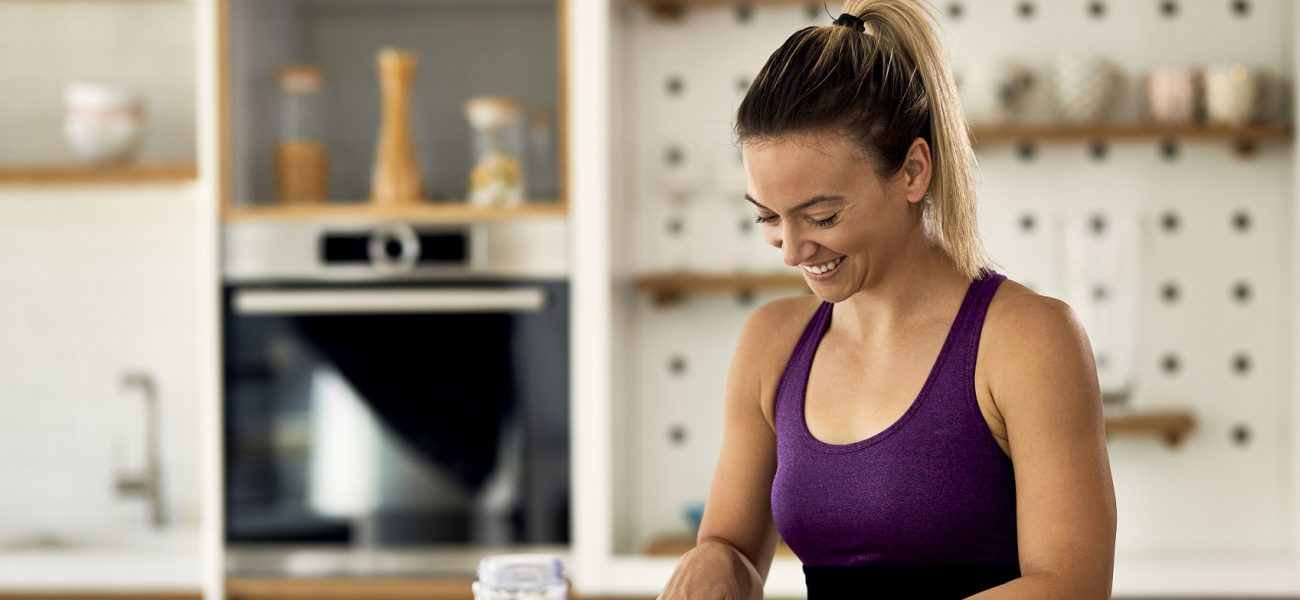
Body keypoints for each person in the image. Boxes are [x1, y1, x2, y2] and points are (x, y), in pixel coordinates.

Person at [656, 1, 1117, 598]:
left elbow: (1072, 585)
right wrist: (717, 559)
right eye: (767, 217)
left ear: (913, 171)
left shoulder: (1028, 338)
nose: (792, 250)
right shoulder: (773, 342)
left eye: (822, 215)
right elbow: (737, 553)